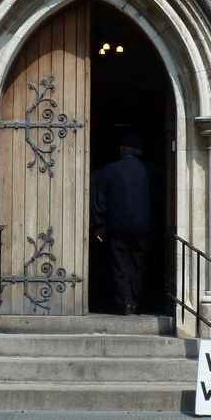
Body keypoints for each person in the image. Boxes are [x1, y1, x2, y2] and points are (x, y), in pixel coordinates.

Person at [91, 132, 151, 315]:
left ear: (121, 151)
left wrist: (98, 224)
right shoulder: (149, 170)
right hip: (143, 227)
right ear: (139, 151)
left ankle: (124, 304)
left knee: (120, 267)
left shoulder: (108, 170)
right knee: (138, 266)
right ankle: (135, 302)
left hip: (116, 227)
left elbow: (99, 200)